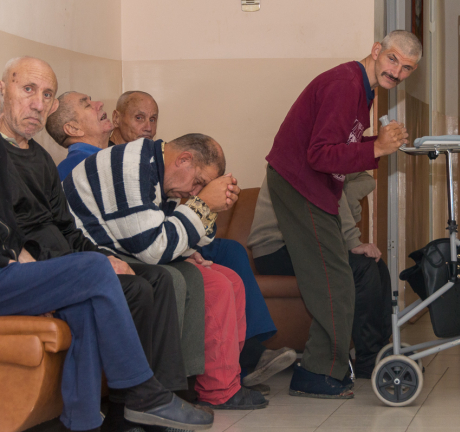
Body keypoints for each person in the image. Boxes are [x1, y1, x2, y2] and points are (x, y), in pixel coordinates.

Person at [0, 56, 212, 432]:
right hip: (11, 272)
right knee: (95, 272)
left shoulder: (41, 160)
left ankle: (87, 421)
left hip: (47, 268)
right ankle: (145, 395)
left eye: (47, 95)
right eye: (28, 89)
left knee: (124, 282)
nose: (37, 103)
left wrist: (103, 258)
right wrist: (37, 262)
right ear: (3, 90)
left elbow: (67, 229)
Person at [54, 101, 267, 410]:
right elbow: (154, 248)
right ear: (183, 159)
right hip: (92, 255)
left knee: (229, 280)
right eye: (198, 182)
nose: (193, 192)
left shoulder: (159, 171)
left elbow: (178, 237)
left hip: (123, 248)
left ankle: (219, 384)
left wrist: (207, 211)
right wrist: (201, 206)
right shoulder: (131, 166)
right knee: (204, 283)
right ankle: (194, 389)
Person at [263, 30, 421, 398]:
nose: (397, 72)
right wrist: (377, 148)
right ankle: (315, 372)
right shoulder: (345, 84)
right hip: (300, 183)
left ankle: (333, 366)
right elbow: (319, 154)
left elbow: (339, 145)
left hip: (312, 186)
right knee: (335, 280)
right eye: (393, 59)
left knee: (339, 277)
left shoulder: (362, 88)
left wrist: (377, 144)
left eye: (407, 68)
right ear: (376, 50)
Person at [107, 90, 296, 391]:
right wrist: (203, 205)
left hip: (164, 236)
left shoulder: (158, 162)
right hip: (142, 245)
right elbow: (152, 240)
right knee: (215, 269)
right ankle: (241, 361)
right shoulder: (122, 163)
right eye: (139, 117)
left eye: (153, 119)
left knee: (230, 252)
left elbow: (169, 218)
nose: (148, 127)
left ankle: (240, 361)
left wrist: (208, 209)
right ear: (116, 119)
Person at [249, 172, 392, 379]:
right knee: (362, 267)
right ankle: (369, 359)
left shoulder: (330, 160)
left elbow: (363, 178)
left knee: (377, 265)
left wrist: (346, 191)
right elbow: (329, 196)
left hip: (305, 241)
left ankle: (382, 350)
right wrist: (353, 242)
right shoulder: (306, 158)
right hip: (276, 247)